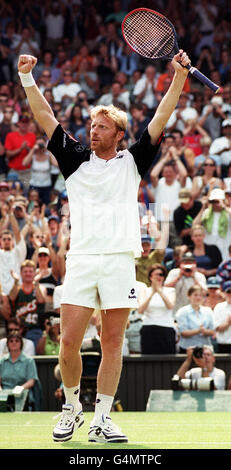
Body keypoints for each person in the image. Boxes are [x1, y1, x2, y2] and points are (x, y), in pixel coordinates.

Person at [17, 49, 191, 444]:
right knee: (67, 346)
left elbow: (161, 115)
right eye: (90, 125)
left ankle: (102, 419)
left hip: (118, 262)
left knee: (113, 343)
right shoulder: (74, 158)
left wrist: (178, 75)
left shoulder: (133, 161)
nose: (91, 131)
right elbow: (46, 117)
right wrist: (28, 78)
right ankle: (72, 407)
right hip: (80, 260)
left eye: (100, 127)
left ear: (117, 134)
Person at [138, 264, 176, 354]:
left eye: (162, 274)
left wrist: (159, 291)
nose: (160, 277)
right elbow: (140, 309)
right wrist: (152, 294)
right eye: (157, 274)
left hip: (166, 327)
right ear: (151, 276)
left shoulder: (170, 290)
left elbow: (170, 306)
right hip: (148, 327)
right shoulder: (145, 291)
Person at [9, 259, 46, 348]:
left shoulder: (40, 287)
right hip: (18, 329)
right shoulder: (18, 288)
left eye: (30, 271)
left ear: (34, 273)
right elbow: (11, 297)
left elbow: (41, 300)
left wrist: (36, 283)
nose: (28, 274)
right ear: (21, 273)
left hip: (34, 329)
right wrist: (16, 281)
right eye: (25, 271)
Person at [0, 331, 39, 410]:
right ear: (7, 344)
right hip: (4, 394)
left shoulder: (29, 361)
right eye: (11, 341)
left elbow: (31, 381)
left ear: (21, 343)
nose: (14, 343)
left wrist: (21, 388)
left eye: (17, 341)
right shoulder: (2, 361)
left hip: (22, 394)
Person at [176, 285, 214, 353]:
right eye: (195, 295)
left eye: (200, 295)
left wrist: (204, 331)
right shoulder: (182, 311)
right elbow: (183, 332)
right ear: (189, 296)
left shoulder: (208, 311)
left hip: (205, 349)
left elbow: (213, 331)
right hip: (187, 349)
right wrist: (198, 331)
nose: (198, 297)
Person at [213, 281, 231, 353]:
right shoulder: (219, 307)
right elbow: (217, 328)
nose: (230, 294)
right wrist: (228, 323)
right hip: (223, 343)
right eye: (228, 292)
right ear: (223, 293)